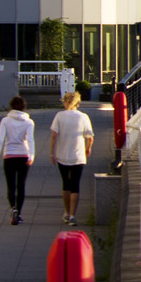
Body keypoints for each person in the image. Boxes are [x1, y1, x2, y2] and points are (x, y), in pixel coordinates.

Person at [49, 91, 94, 226]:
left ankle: (67, 212)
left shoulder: (60, 116)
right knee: (75, 185)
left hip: (62, 155)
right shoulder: (83, 117)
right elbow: (90, 137)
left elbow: (53, 135)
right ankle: (73, 215)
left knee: (66, 184)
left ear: (67, 102)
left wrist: (52, 153)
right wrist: (88, 148)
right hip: (78, 156)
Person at [0, 96, 36, 225]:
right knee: (21, 185)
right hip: (23, 155)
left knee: (10, 186)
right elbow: (30, 140)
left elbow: (0, 140)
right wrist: (31, 156)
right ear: (23, 107)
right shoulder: (29, 122)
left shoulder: (5, 121)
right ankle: (19, 213)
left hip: (9, 155)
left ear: (11, 106)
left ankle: (13, 208)